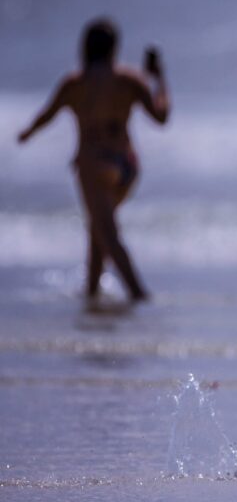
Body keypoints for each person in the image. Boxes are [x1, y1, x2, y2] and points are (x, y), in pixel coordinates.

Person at [17, 18, 171, 302]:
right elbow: (161, 116)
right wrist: (159, 78)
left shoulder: (75, 83)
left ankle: (140, 295)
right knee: (98, 229)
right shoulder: (131, 80)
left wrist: (26, 133)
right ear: (114, 48)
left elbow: (46, 115)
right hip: (127, 166)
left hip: (94, 165)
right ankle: (92, 294)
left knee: (107, 235)